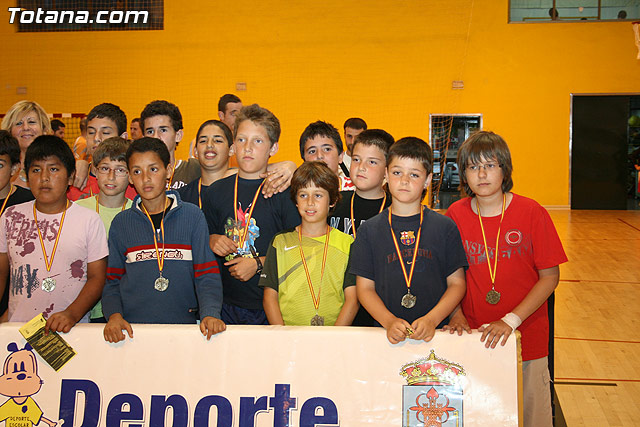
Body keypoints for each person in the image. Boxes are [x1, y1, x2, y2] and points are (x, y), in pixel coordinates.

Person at [444, 131, 567, 427]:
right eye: (473, 167)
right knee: (479, 416)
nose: (481, 174)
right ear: (463, 174)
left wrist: (511, 321)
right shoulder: (455, 215)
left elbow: (550, 277)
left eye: (490, 165)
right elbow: (448, 275)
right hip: (473, 338)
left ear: (505, 169)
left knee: (531, 417)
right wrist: (456, 314)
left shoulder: (532, 212)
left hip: (526, 338)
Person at [101, 137, 225, 343]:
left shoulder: (192, 216)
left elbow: (206, 273)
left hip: (185, 329)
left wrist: (210, 313)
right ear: (130, 177)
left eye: (153, 169)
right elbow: (112, 280)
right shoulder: (121, 224)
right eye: (137, 171)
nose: (146, 179)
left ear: (168, 171)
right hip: (133, 332)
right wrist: (114, 315)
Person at [350, 137, 467, 344]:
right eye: (397, 173)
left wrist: (432, 319)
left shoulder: (445, 227)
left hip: (436, 335)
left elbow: (457, 284)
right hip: (386, 336)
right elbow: (364, 289)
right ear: (386, 174)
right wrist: (388, 321)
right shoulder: (369, 230)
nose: (404, 181)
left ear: (428, 180)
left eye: (414, 174)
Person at [203, 104, 300, 325]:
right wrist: (211, 239)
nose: (247, 148)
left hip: (272, 306)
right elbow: (202, 240)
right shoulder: (216, 192)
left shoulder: (283, 193)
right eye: (241, 139)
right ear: (233, 145)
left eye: (257, 141)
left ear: (273, 148)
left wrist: (259, 264)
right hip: (225, 305)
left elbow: (299, 252)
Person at [0, 135, 108, 333]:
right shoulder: (11, 216)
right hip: (19, 330)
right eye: (36, 170)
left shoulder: (89, 220)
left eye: (54, 169)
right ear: (27, 176)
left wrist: (71, 314)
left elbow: (97, 278)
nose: (44, 177)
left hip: (73, 330)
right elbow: (1, 274)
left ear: (71, 177)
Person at [260, 161, 358, 326]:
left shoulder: (347, 243)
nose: (310, 202)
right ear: (296, 201)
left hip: (334, 335)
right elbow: (270, 297)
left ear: (332, 200)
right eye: (303, 195)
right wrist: (281, 335)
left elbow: (352, 300)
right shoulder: (280, 242)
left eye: (318, 195)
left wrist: (336, 336)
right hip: (289, 336)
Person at [329, 129, 394, 327]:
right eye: (356, 159)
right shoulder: (333, 203)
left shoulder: (396, 209)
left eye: (372, 162)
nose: (361, 167)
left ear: (387, 169)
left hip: (381, 308)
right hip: (336, 305)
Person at [76, 137, 133, 322]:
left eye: (120, 170)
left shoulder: (138, 213)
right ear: (94, 170)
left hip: (125, 309)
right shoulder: (76, 210)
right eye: (105, 168)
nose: (111, 177)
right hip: (82, 308)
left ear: (131, 174)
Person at [68, 103, 135, 201]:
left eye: (105, 132)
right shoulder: (73, 180)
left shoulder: (135, 183)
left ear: (123, 138)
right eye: (91, 132)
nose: (96, 138)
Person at [0, 131, 35, 317]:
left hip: (18, 303)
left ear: (14, 168)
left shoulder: (29, 202)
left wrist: (11, 313)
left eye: (0, 165)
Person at [1, 100, 51, 188]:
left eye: (31, 122)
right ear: (9, 131)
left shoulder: (57, 164)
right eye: (19, 123)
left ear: (44, 129)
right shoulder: (2, 167)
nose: (25, 127)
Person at [300, 121, 354, 191]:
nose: (319, 156)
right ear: (304, 159)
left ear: (340, 156)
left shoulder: (357, 189)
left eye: (327, 149)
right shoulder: (298, 191)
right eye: (312, 151)